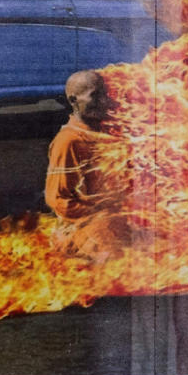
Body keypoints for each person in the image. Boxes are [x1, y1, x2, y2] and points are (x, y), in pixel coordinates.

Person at [45, 70, 137, 260]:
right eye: (95, 95)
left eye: (104, 93)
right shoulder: (69, 141)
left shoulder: (105, 133)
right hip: (83, 227)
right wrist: (99, 213)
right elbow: (59, 200)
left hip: (111, 220)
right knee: (121, 261)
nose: (103, 101)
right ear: (73, 100)